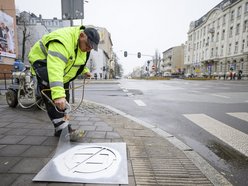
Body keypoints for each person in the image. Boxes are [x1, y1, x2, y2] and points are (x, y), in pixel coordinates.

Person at [28, 25, 100, 138]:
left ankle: (63, 126)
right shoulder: (62, 42)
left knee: (64, 98)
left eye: (91, 47)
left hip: (62, 71)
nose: (88, 49)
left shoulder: (83, 45)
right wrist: (57, 95)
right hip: (43, 62)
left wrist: (84, 71)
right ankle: (62, 129)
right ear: (81, 36)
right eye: (88, 45)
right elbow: (55, 68)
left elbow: (77, 59)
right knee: (54, 97)